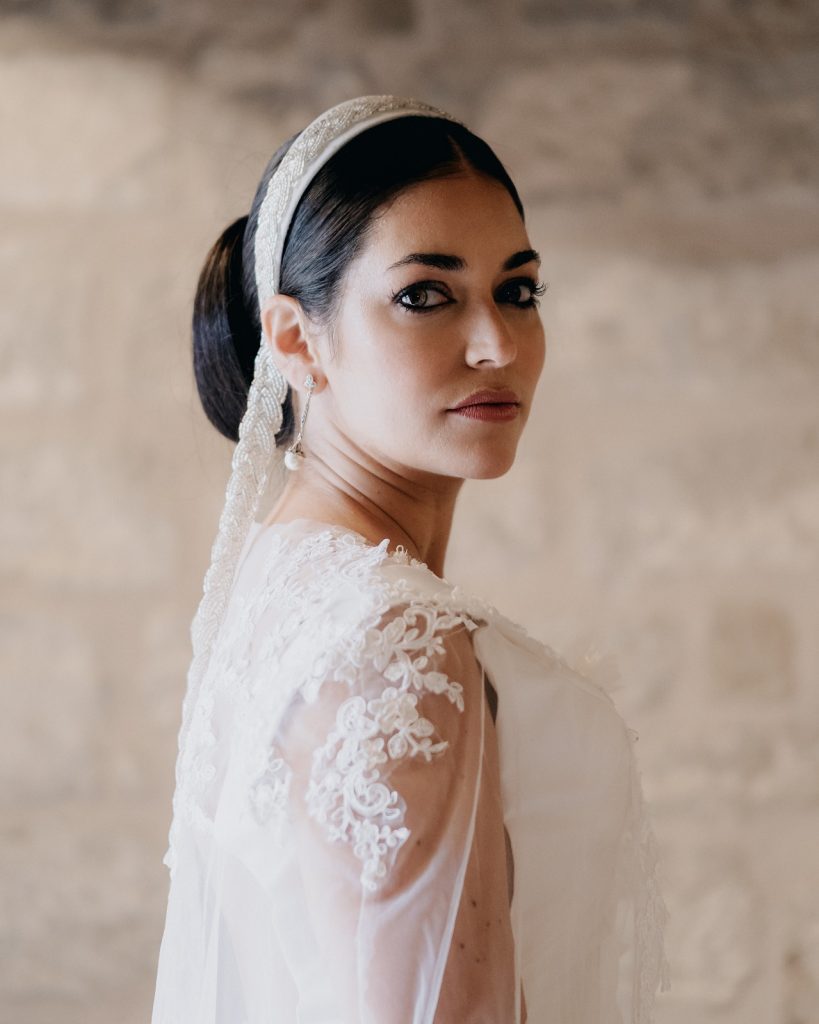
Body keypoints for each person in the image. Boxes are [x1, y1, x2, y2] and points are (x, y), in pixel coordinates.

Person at [151, 95, 671, 1024]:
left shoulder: (285, 576)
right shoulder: (398, 641)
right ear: (296, 339)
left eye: (517, 290)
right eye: (424, 295)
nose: (497, 344)